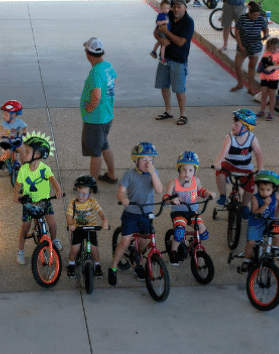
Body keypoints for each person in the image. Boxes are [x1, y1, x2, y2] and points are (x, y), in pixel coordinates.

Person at [108, 142, 164, 286]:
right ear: (136, 160)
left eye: (150, 160)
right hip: (131, 213)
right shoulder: (129, 174)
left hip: (146, 213)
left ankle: (137, 264)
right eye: (144, 159)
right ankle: (113, 267)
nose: (148, 162)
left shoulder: (154, 172)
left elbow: (159, 189)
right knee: (125, 242)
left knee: (142, 242)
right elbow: (120, 192)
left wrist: (152, 173)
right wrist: (123, 199)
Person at [13, 132, 64, 264]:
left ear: (37, 155)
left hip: (44, 201)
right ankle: (20, 250)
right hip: (29, 203)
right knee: (25, 226)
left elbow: (52, 179)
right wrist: (16, 195)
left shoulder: (44, 169)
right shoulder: (23, 170)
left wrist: (58, 190)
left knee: (52, 222)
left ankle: (54, 239)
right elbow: (18, 185)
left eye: (27, 152)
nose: (23, 154)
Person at [81, 37, 119, 184]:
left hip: (95, 119)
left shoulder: (95, 73)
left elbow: (96, 95)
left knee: (95, 153)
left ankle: (91, 185)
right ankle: (111, 174)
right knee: (104, 145)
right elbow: (114, 80)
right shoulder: (108, 66)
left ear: (88, 54)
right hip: (107, 115)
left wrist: (90, 107)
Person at [165, 151, 211, 264]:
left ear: (194, 171)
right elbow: (166, 198)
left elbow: (200, 191)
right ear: (179, 169)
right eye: (184, 169)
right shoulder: (173, 183)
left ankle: (192, 243)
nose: (187, 173)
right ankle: (174, 251)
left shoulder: (196, 181)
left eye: (190, 170)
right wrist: (171, 200)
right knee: (180, 231)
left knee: (203, 233)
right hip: (178, 212)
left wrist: (208, 194)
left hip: (192, 211)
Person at [153, 0, 194, 125]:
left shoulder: (188, 22)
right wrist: (161, 40)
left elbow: (181, 42)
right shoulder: (167, 15)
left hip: (179, 60)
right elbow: (156, 31)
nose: (176, 9)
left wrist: (166, 33)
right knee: (164, 85)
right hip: (165, 58)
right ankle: (168, 111)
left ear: (185, 8)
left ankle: (183, 114)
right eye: (174, 7)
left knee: (179, 89)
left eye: (179, 7)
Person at [213, 109, 264, 206]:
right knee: (220, 174)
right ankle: (223, 196)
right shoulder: (230, 137)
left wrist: (260, 167)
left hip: (245, 167)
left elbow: (258, 153)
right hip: (229, 164)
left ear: (246, 127)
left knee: (250, 187)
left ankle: (244, 205)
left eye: (236, 125)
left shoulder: (252, 138)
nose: (233, 126)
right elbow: (224, 152)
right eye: (233, 123)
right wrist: (218, 162)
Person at [241, 170, 279, 271]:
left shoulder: (276, 196)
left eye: (268, 190)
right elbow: (256, 212)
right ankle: (247, 260)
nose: (264, 192)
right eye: (262, 189)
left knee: (277, 234)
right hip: (256, 222)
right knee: (251, 243)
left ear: (273, 189)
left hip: (269, 221)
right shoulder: (255, 198)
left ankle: (275, 248)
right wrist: (266, 204)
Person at [66, 175, 107, 278]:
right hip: (77, 229)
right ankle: (71, 265)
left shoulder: (92, 202)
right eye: (78, 193)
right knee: (75, 249)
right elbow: (69, 215)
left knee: (94, 249)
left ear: (91, 194)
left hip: (90, 228)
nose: (80, 196)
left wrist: (104, 220)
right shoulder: (73, 202)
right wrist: (70, 224)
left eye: (84, 194)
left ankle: (97, 265)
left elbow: (100, 212)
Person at [230, 3, 268, 95]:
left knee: (251, 67)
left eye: (257, 15)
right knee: (237, 65)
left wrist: (266, 35)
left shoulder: (261, 19)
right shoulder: (242, 18)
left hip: (255, 47)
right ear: (249, 13)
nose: (256, 17)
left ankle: (250, 87)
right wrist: (240, 45)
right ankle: (240, 83)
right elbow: (237, 32)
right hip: (243, 46)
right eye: (254, 15)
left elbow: (265, 29)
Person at [0, 100, 29, 170]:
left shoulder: (19, 122)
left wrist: (25, 132)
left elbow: (25, 127)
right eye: (3, 114)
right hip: (5, 141)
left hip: (16, 140)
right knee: (8, 153)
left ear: (13, 115)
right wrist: (0, 134)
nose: (3, 116)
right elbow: (1, 128)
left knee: (23, 152)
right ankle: (0, 161)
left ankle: (24, 167)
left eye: (6, 114)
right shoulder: (4, 123)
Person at [257, 37, 279, 119]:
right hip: (264, 77)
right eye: (270, 48)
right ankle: (262, 111)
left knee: (272, 96)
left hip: (273, 78)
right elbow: (262, 63)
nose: (272, 50)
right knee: (263, 95)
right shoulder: (266, 53)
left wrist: (272, 67)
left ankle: (271, 113)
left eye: (274, 48)